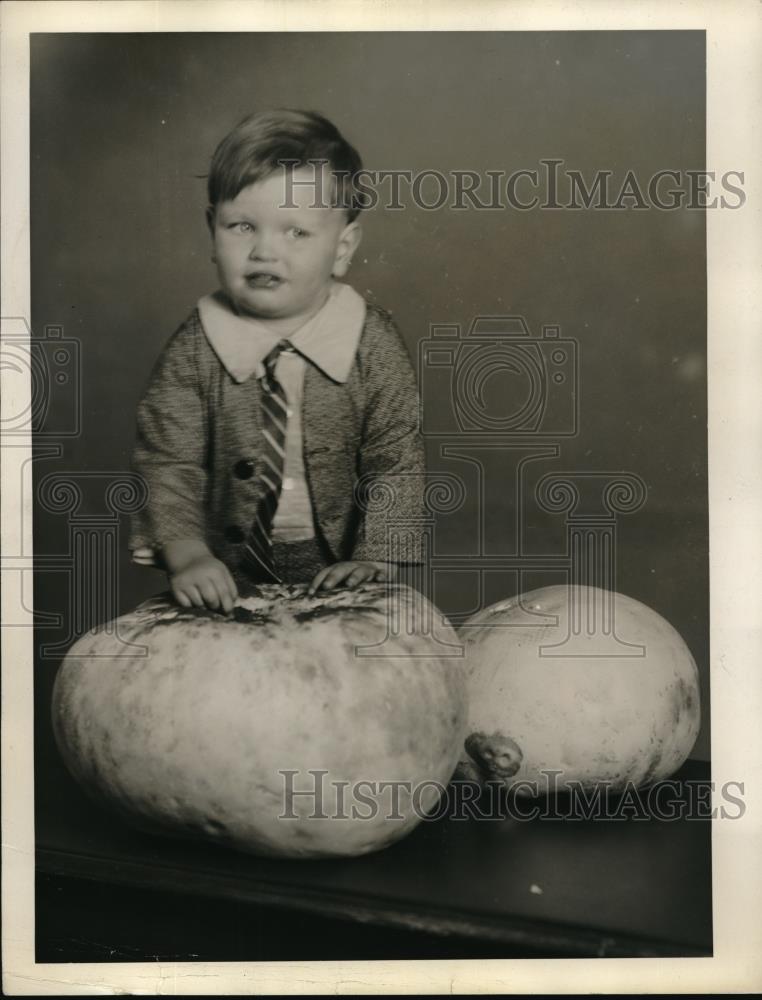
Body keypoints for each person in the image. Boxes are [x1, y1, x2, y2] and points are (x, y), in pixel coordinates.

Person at [129, 109, 426, 613]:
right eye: (242, 226)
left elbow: (395, 458)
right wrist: (189, 556)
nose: (264, 251)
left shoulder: (372, 343)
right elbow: (168, 460)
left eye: (296, 233)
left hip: (342, 584)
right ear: (211, 229)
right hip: (227, 584)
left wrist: (379, 559)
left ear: (343, 246)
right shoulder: (194, 347)